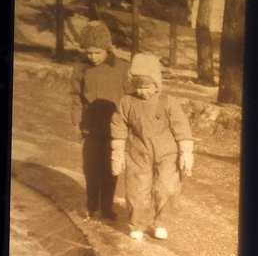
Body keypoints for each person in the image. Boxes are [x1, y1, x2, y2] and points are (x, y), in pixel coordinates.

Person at [109, 52, 192, 240]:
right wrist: (118, 152)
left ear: (157, 84)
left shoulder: (167, 102)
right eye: (138, 87)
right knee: (137, 189)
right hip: (138, 152)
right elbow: (118, 125)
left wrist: (186, 151)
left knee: (167, 188)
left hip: (167, 153)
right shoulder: (127, 102)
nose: (142, 92)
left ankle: (161, 223)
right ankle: (137, 224)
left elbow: (181, 126)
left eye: (147, 87)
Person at [69, 20, 130, 220]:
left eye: (97, 52)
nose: (93, 57)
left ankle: (107, 208)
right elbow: (76, 95)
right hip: (91, 127)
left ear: (107, 48)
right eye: (89, 53)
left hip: (115, 128)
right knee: (91, 168)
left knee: (111, 169)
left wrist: (129, 125)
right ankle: (92, 204)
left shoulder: (122, 67)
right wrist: (77, 121)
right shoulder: (81, 67)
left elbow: (130, 98)